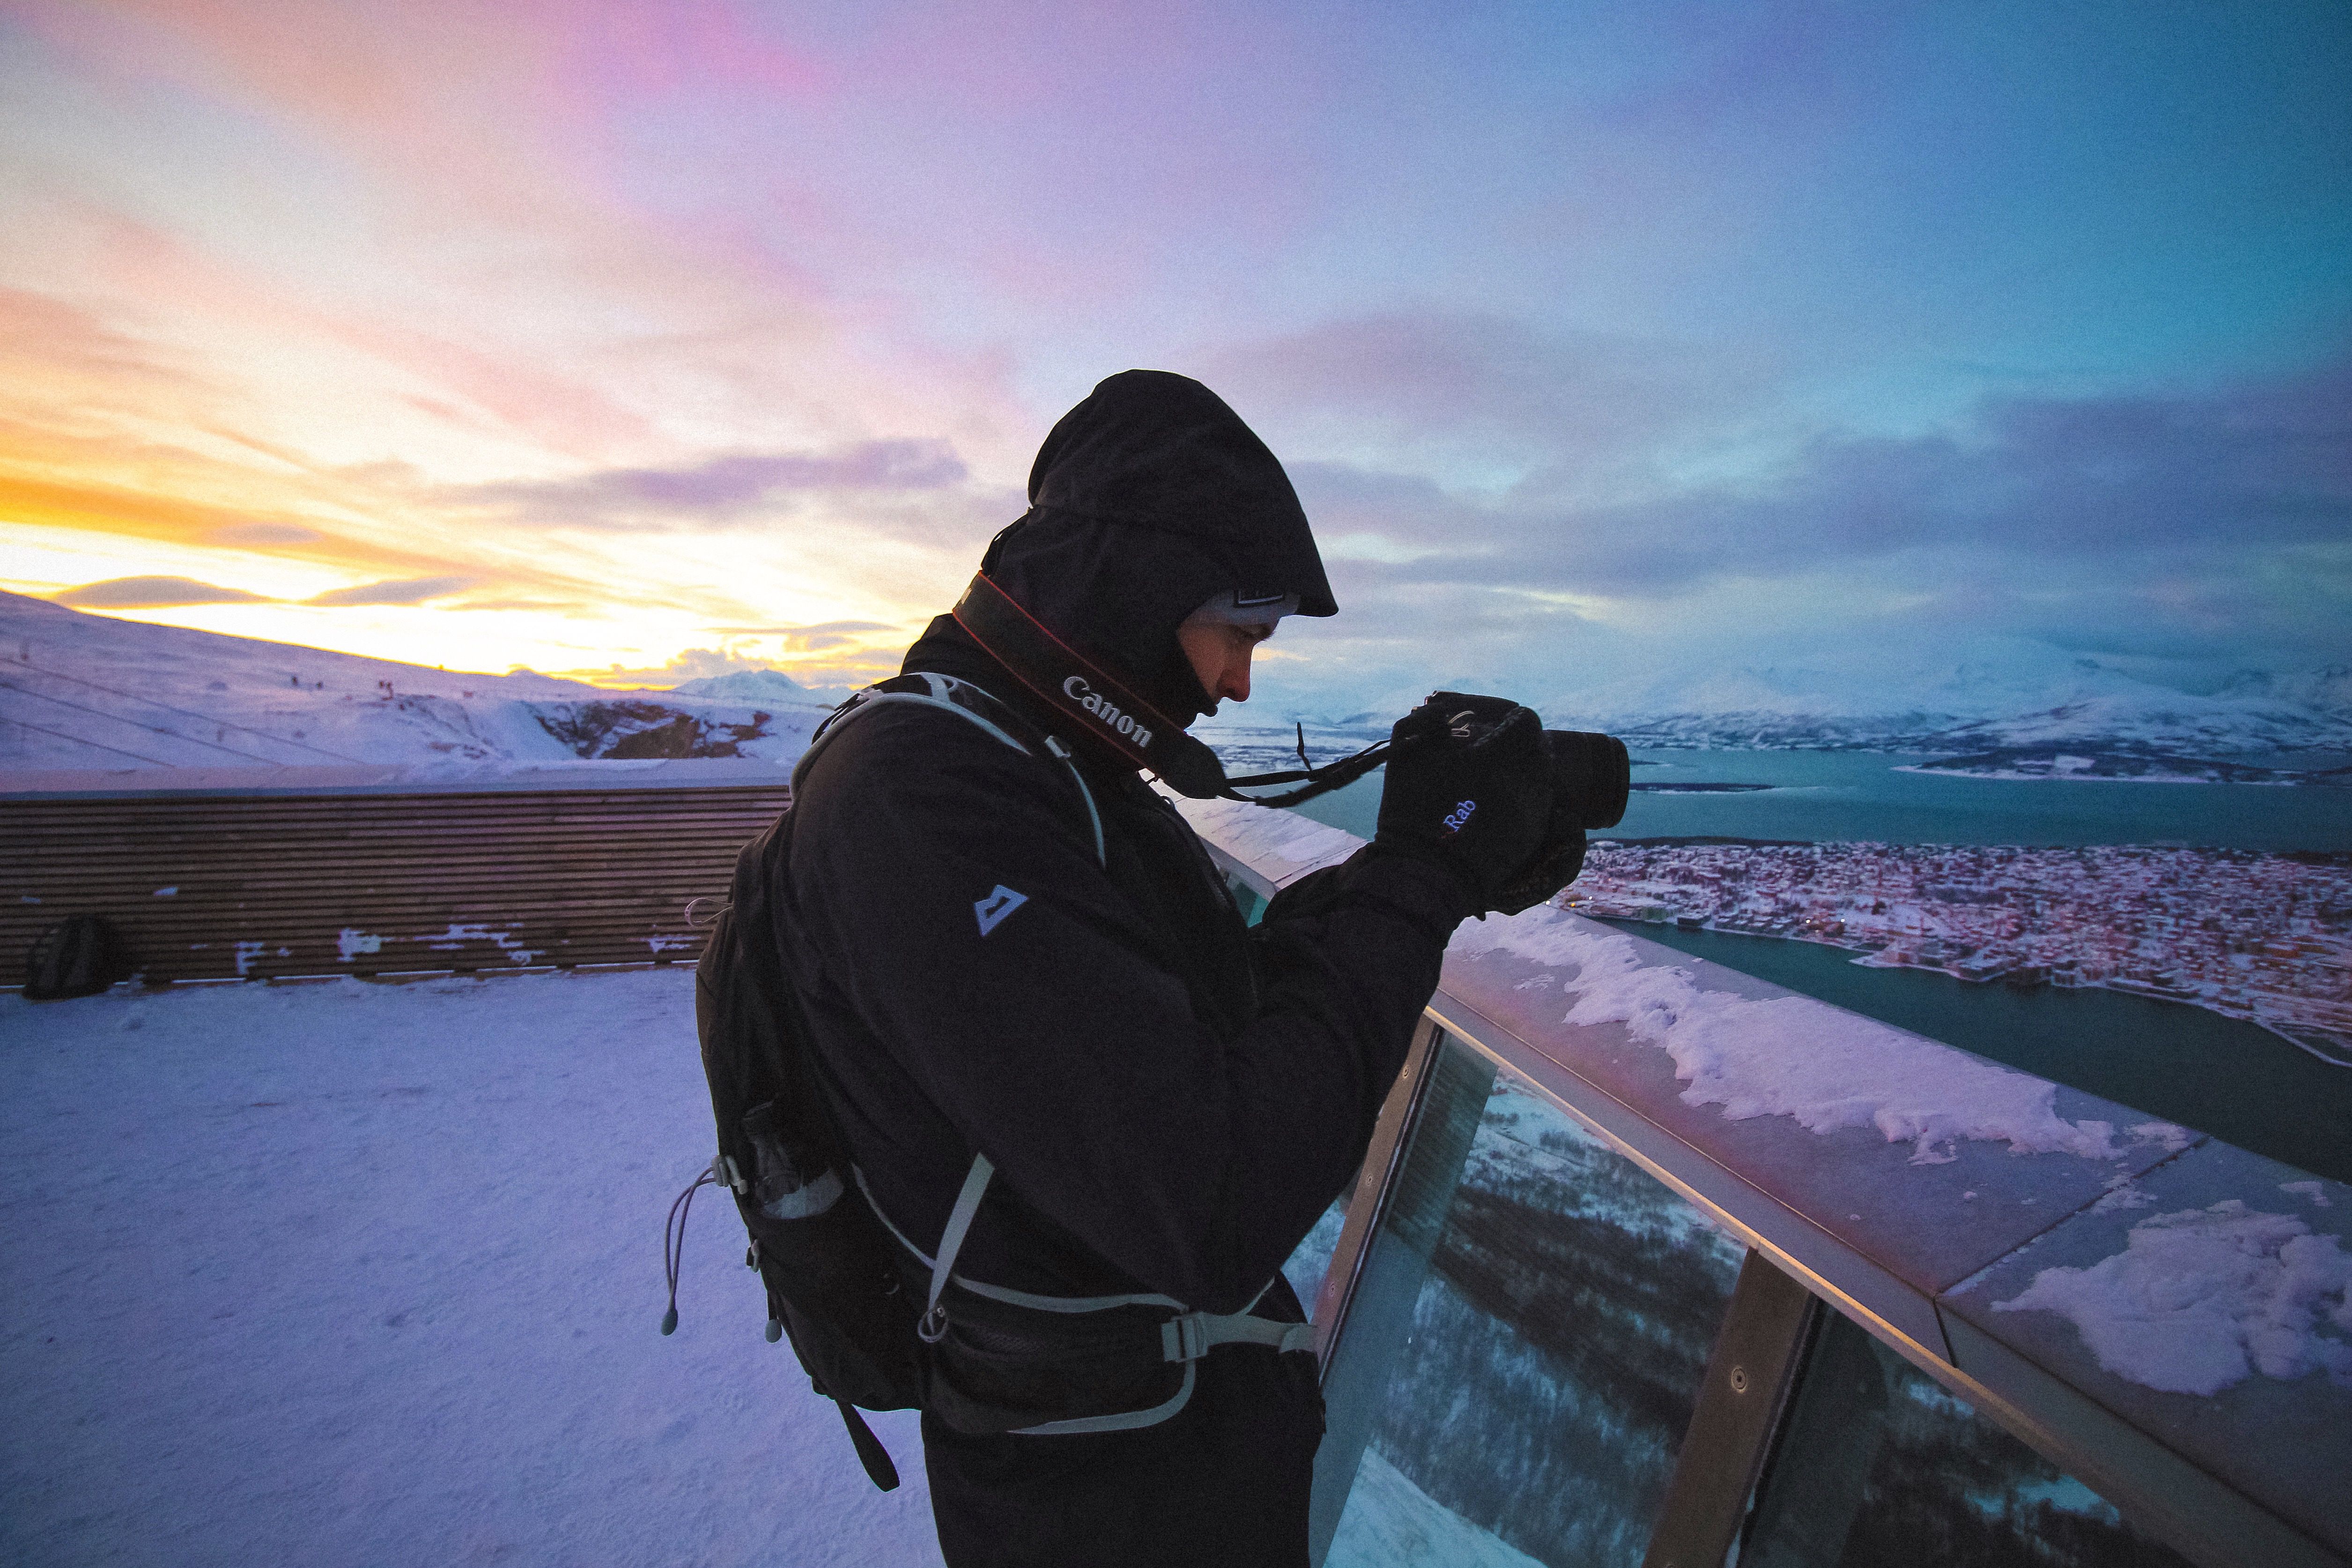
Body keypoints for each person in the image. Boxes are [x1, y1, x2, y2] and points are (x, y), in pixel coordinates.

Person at [775, 370, 1558, 1567]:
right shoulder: (930, 798)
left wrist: (1434, 870)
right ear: (1131, 588)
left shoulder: (1035, 770)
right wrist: (1416, 878)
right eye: (1240, 630)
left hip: (1141, 1459)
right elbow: (1213, 1194)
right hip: (1097, 1496)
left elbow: (1200, 1017)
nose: (1241, 680)